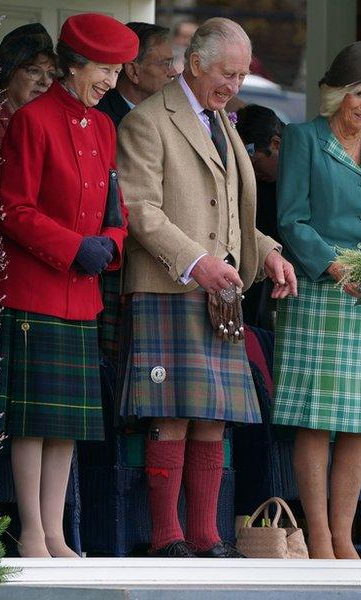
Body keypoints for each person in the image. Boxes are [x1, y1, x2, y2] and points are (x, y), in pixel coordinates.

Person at [116, 17, 297, 558]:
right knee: (171, 414)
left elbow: (237, 213)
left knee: (213, 415)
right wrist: (196, 261)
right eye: (228, 73)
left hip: (221, 292)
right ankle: (166, 536)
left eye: (242, 76)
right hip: (169, 287)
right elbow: (139, 209)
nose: (234, 86)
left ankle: (205, 535)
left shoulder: (224, 121)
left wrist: (267, 252)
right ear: (195, 63)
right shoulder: (149, 121)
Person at [0, 12, 138, 558]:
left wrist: (111, 243)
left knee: (66, 424)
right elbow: (13, 209)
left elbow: (114, 209)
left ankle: (55, 532)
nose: (111, 81)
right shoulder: (32, 119)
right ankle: (31, 531)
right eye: (105, 69)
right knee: (33, 421)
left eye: (118, 71)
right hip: (34, 288)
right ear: (74, 65)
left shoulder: (103, 126)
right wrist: (71, 246)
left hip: (82, 293)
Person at [272, 40, 361, 559]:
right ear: (336, 96)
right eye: (358, 94)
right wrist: (333, 264)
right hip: (317, 290)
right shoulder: (304, 139)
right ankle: (318, 536)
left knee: (358, 419)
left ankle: (345, 538)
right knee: (316, 418)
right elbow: (290, 218)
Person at [95, 22, 177, 366]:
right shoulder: (103, 115)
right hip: (108, 258)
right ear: (133, 70)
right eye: (164, 63)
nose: (173, 73)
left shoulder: (166, 118)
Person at [235, 103, 283, 329]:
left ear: (276, 144)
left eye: (254, 163)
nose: (251, 173)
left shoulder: (302, 179)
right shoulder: (252, 182)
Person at [0, 24, 57, 159]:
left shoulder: (48, 125)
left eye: (51, 74)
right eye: (34, 71)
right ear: (8, 72)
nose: (46, 81)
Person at [96, 22, 176, 127]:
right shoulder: (102, 120)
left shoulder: (167, 111)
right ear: (133, 71)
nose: (174, 72)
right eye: (166, 64)